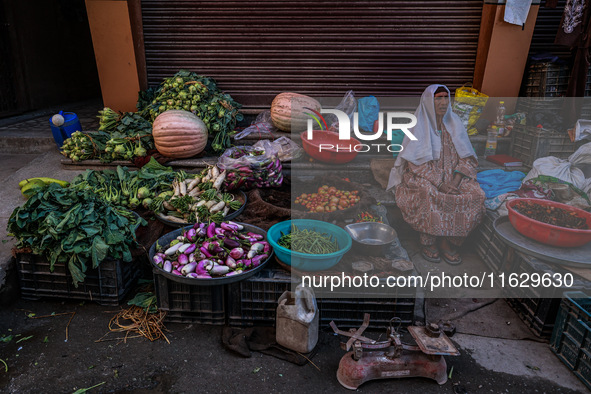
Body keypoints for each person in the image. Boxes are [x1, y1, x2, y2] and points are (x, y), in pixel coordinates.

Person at [387, 84, 486, 265]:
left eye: (445, 98)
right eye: (438, 98)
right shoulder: (419, 125)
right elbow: (416, 163)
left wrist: (455, 182)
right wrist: (439, 183)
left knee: (476, 194)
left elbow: (467, 158)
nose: (443, 102)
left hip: (454, 176)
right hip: (424, 175)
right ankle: (428, 242)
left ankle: (447, 241)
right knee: (427, 192)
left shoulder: (455, 124)